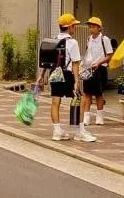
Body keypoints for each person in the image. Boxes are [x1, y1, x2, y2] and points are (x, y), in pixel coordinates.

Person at [49, 14, 91, 142]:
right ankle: (80, 131)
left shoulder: (53, 40)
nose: (75, 28)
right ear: (70, 27)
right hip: (67, 74)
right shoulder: (72, 42)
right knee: (81, 99)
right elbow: (75, 63)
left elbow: (47, 61)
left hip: (54, 73)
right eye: (74, 25)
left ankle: (57, 131)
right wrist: (77, 81)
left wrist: (41, 77)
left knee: (56, 102)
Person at [82, 17, 114, 126]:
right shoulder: (88, 39)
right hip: (89, 69)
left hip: (100, 69)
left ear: (99, 28)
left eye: (93, 26)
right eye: (90, 26)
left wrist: (99, 63)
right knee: (87, 93)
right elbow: (87, 53)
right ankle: (86, 116)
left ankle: (99, 116)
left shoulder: (104, 39)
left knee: (99, 94)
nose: (91, 29)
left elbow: (109, 55)